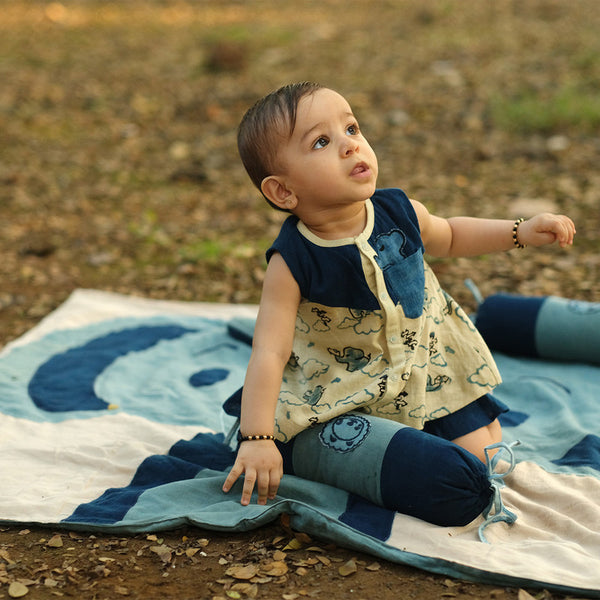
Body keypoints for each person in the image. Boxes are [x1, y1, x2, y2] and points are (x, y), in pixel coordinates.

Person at [222, 82, 576, 525]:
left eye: (351, 128)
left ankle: (427, 437)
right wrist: (257, 435)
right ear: (283, 192)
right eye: (321, 141)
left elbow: (450, 233)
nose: (351, 145)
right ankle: (341, 454)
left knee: (486, 451)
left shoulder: (398, 210)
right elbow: (269, 351)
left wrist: (519, 231)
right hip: (348, 384)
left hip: (426, 365)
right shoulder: (293, 260)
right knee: (450, 470)